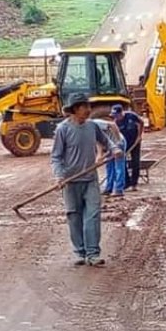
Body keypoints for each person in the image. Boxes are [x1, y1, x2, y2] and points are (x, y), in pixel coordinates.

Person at [51, 93, 122, 266]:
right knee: (74, 216)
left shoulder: (92, 126)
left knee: (93, 215)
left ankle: (93, 253)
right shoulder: (63, 129)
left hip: (90, 178)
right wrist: (60, 176)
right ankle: (80, 252)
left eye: (88, 106)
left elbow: (105, 140)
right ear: (75, 109)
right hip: (71, 180)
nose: (88, 110)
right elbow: (56, 157)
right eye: (84, 107)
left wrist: (114, 149)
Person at [101, 106, 129, 198]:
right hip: (109, 144)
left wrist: (118, 142)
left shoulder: (94, 124)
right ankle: (108, 188)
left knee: (119, 166)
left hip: (118, 142)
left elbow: (112, 125)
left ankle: (119, 190)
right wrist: (100, 156)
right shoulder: (87, 132)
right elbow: (98, 143)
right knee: (109, 166)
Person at [118, 104, 144, 190]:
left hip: (135, 142)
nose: (116, 117)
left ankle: (134, 183)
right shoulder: (116, 122)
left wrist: (139, 136)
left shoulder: (131, 116)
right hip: (124, 143)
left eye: (117, 115)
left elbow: (141, 122)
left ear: (121, 113)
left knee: (135, 162)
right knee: (122, 162)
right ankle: (126, 182)